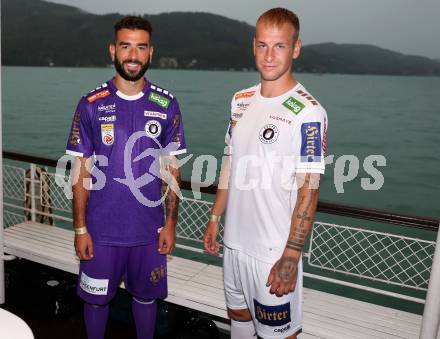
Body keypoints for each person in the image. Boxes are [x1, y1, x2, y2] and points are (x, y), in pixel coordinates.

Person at [203, 8, 328, 339]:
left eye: (279, 46)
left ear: (296, 48)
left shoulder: (308, 112)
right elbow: (231, 161)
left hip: (271, 253)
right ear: (253, 46)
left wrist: (291, 255)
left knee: (279, 336)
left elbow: (309, 189)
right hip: (234, 245)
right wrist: (216, 217)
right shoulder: (240, 101)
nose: (269, 56)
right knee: (239, 322)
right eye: (262, 45)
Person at [66, 16, 186, 339]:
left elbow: (171, 170)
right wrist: (80, 228)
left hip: (148, 231)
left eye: (140, 47)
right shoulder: (90, 104)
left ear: (151, 53)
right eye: (125, 46)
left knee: (146, 299)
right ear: (113, 50)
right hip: (101, 232)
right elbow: (80, 172)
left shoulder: (167, 105)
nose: (133, 55)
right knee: (95, 302)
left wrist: (171, 223)